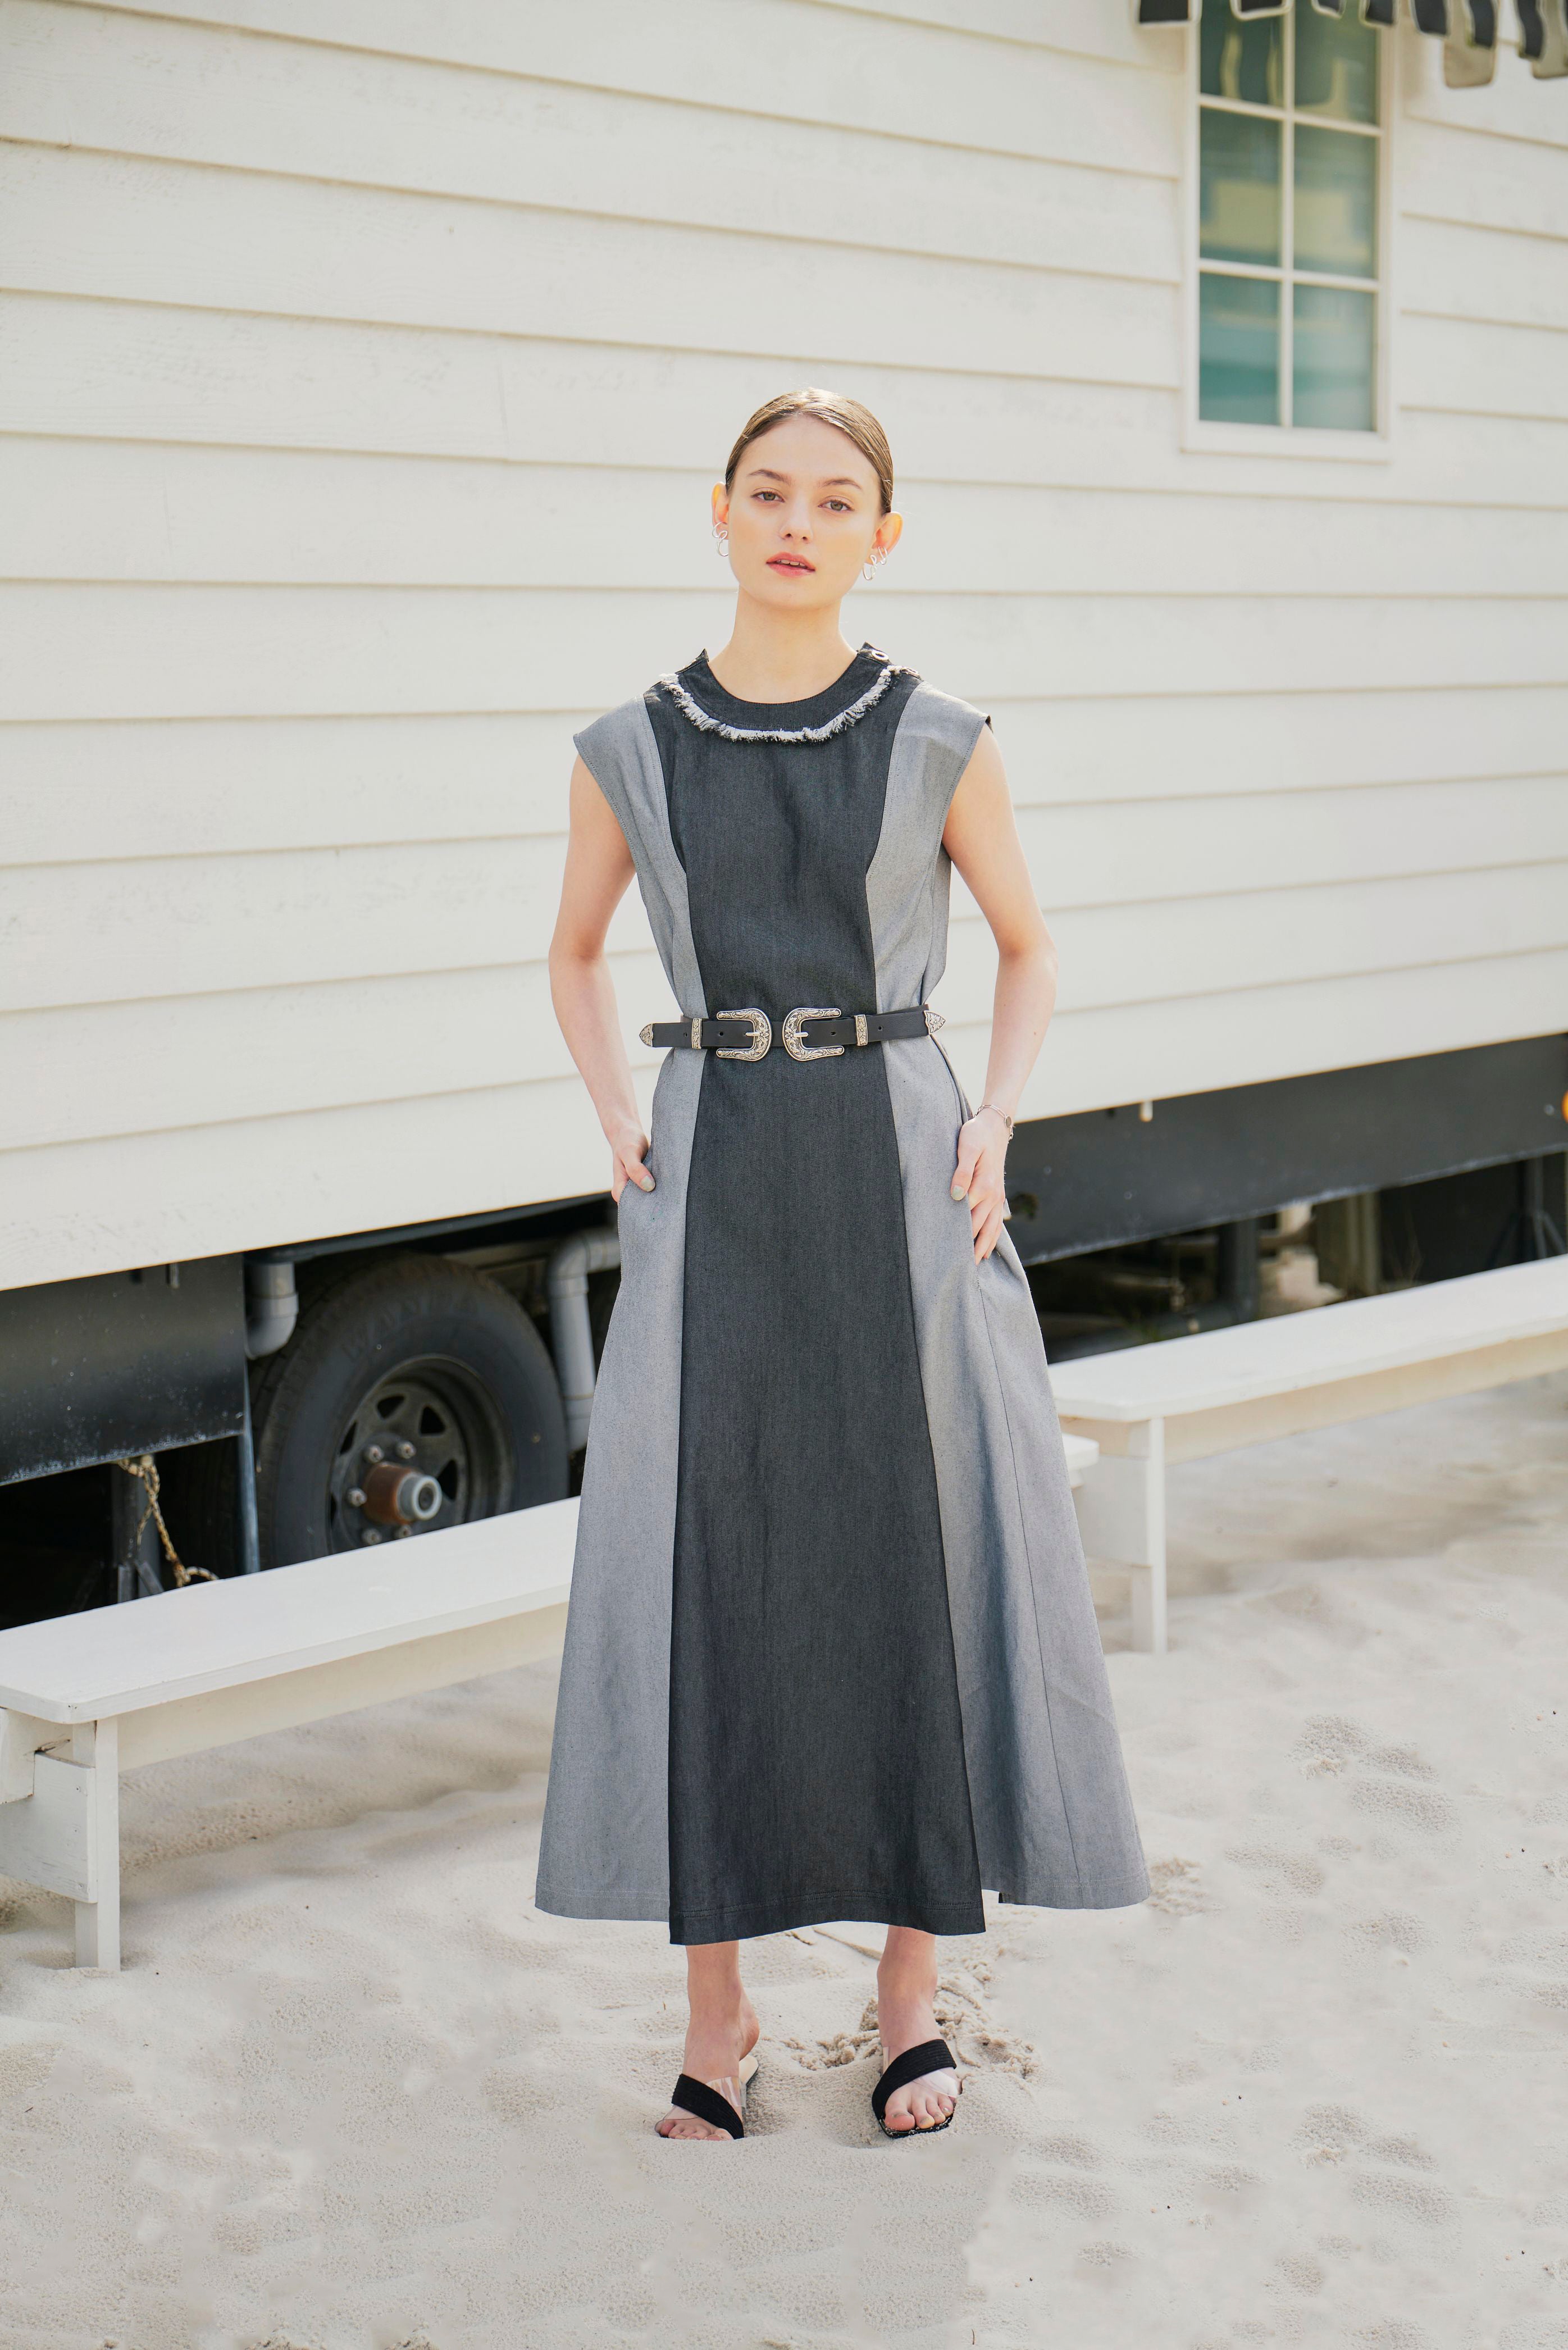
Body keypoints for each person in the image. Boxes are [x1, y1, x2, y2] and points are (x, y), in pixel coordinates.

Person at [536, 389, 1149, 2142]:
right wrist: (616, 1109)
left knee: (911, 1545)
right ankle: (716, 2016)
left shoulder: (943, 737)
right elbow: (572, 953)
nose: (795, 523)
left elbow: (1028, 950)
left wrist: (998, 1115)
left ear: (882, 535)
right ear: (719, 512)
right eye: (767, 492)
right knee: (711, 1555)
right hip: (715, 1157)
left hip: (899, 1160)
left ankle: (906, 1995)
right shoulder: (627, 746)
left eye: (832, 500)